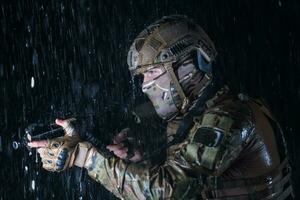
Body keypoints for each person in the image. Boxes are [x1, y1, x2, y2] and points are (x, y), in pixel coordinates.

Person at [28, 15, 294, 199]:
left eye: (152, 72)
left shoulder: (231, 117)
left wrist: (87, 158)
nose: (145, 85)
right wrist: (140, 157)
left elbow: (169, 192)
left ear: (188, 67)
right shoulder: (195, 113)